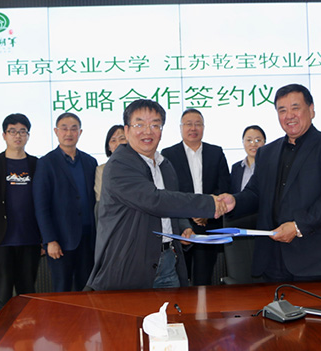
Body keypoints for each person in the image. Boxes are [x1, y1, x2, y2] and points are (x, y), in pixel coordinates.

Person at [85, 99, 227, 291]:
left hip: (167, 261)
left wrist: (184, 227)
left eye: (155, 125)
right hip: (130, 264)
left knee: (174, 311)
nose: (148, 131)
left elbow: (170, 204)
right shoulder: (119, 165)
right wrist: (209, 203)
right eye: (139, 125)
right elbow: (155, 201)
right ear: (127, 130)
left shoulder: (164, 164)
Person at [219, 84, 321, 282]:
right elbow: (255, 192)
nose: (289, 115)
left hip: (314, 262)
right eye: (282, 110)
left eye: (295, 108)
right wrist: (235, 201)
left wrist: (298, 226)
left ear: (311, 110)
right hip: (271, 260)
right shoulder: (267, 152)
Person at [0, 114, 41, 311]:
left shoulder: (36, 164)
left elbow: (43, 203)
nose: (17, 136)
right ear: (4, 135)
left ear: (28, 135)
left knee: (28, 293)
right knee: (3, 294)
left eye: (22, 131)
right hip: (1, 240)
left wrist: (45, 238)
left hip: (30, 239)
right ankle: (3, 330)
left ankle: (29, 329)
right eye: (12, 131)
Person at [161, 109, 231, 285]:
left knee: (203, 281)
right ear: (181, 128)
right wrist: (190, 214)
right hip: (181, 227)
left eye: (197, 124)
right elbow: (170, 192)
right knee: (180, 280)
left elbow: (224, 187)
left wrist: (207, 212)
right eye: (188, 124)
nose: (193, 128)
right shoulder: (168, 154)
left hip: (209, 226)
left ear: (203, 127)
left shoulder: (216, 152)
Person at [33, 113, 97, 292]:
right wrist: (50, 240)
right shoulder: (46, 163)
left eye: (74, 128)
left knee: (87, 289)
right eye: (64, 128)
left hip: (88, 239)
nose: (69, 133)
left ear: (80, 132)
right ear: (56, 131)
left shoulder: (90, 162)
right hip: (61, 240)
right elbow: (41, 206)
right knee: (62, 290)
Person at [223, 126, 266, 284]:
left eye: (258, 140)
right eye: (249, 140)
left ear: (265, 143)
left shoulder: (269, 166)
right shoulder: (236, 168)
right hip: (240, 224)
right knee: (242, 271)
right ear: (243, 143)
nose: (253, 144)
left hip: (262, 224)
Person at [94, 124, 126, 201]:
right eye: (113, 140)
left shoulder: (140, 165)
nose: (118, 144)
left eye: (122, 139)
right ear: (109, 147)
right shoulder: (102, 170)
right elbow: (100, 199)